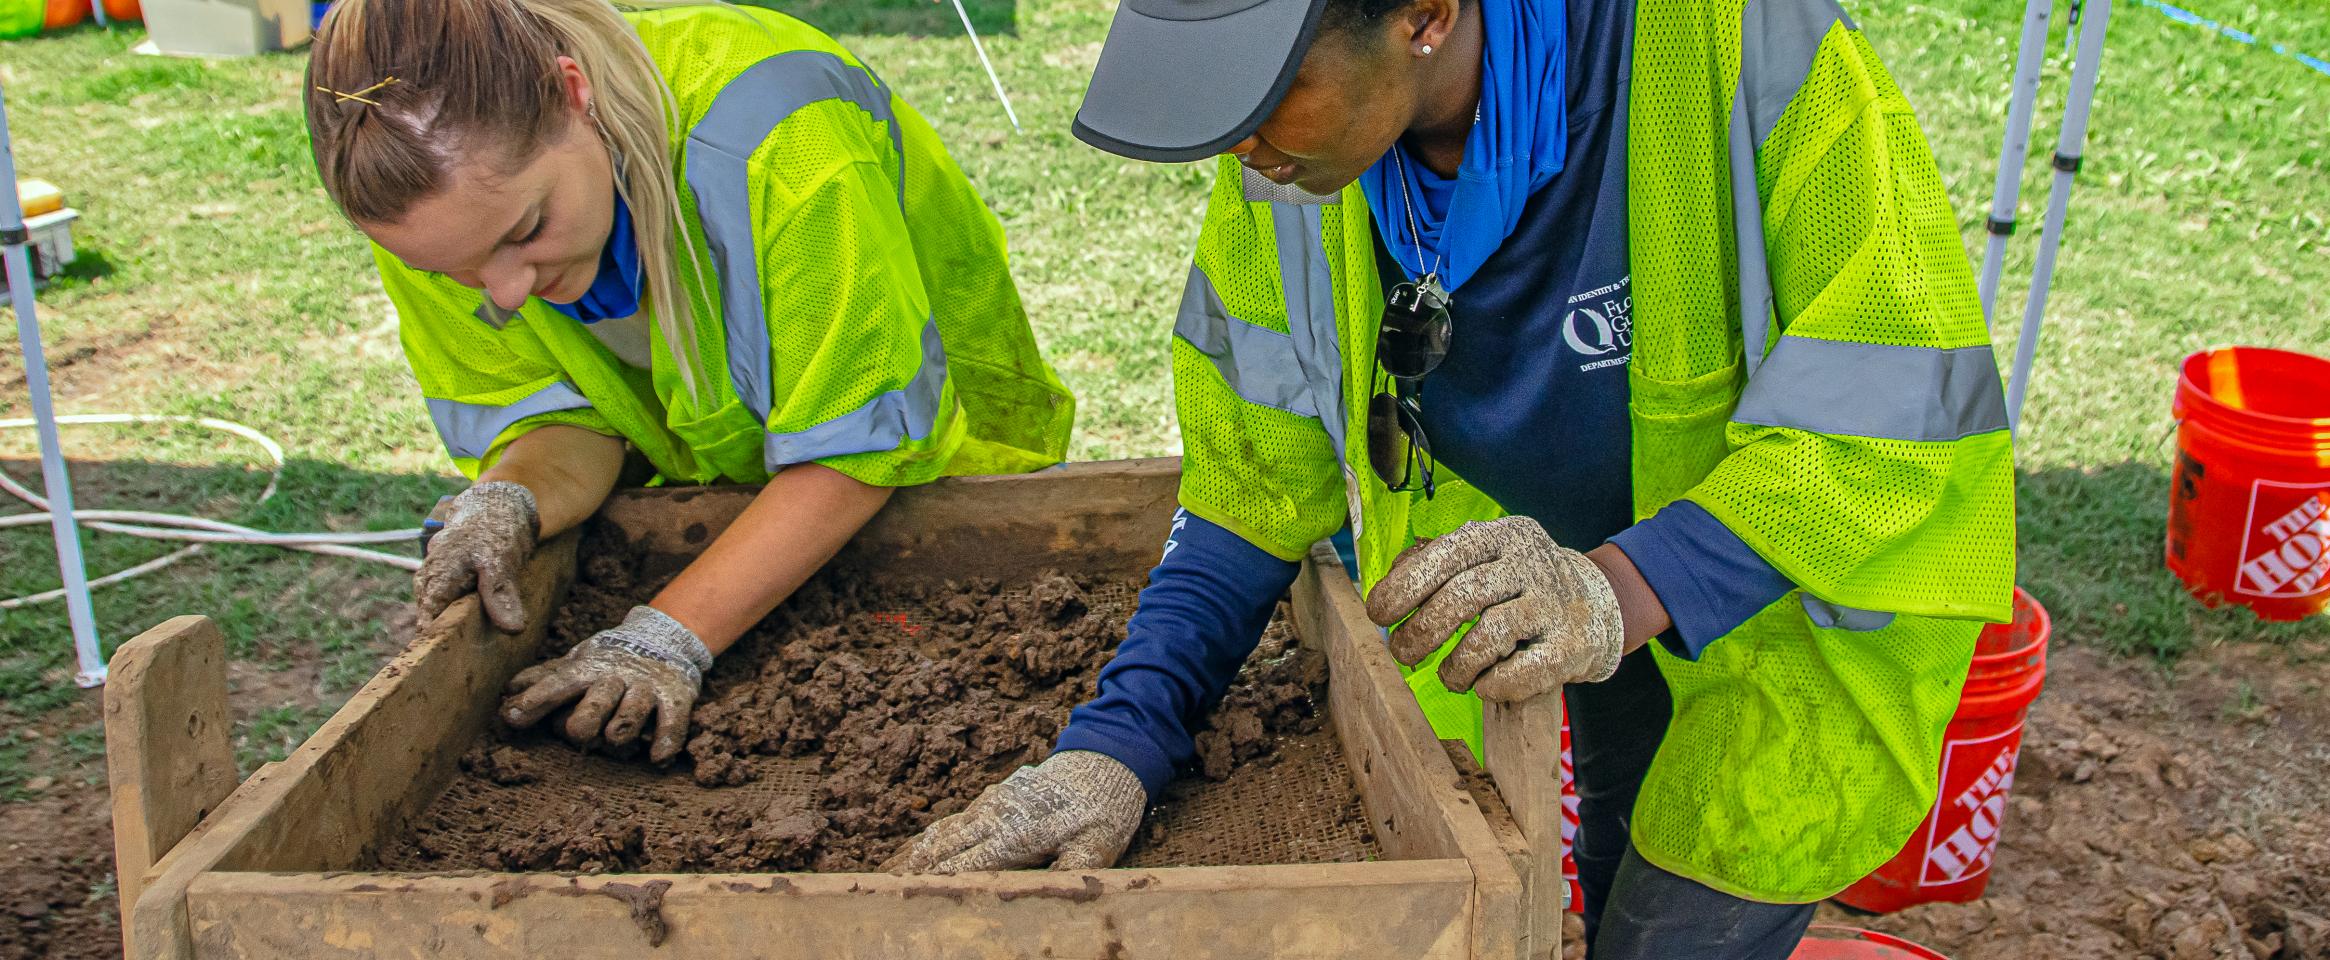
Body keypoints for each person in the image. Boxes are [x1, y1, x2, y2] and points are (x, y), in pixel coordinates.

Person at [889, 0, 2014, 955]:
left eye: (1261, 98)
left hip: (1788, 608)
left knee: (1676, 919)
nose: (1241, 150)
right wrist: (1113, 747)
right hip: (1571, 600)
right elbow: (1247, 491)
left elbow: (1889, 409)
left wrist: (1609, 591)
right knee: (1613, 840)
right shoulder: (1296, 159)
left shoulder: (1741, 45)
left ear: (1425, 15)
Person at [305, 0, 1075, 765]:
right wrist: (510, 498)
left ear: (574, 94)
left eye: (526, 231)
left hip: (938, 511)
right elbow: (568, 419)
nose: (501, 291)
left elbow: (860, 443)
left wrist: (664, 637)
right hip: (714, 521)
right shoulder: (436, 217)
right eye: (456, 270)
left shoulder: (780, 133)